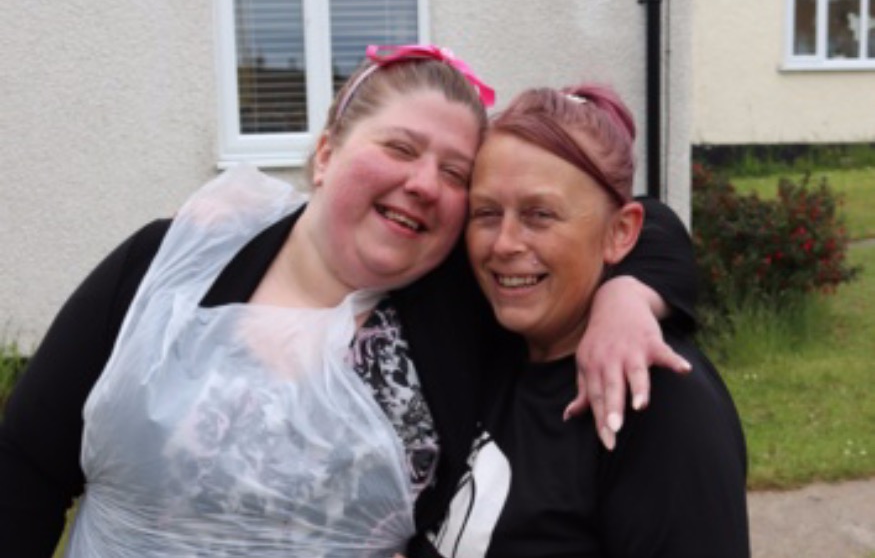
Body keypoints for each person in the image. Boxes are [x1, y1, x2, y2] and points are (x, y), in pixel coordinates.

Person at [0, 47, 697, 557]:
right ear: (327, 153)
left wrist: (627, 297)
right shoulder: (175, 265)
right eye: (399, 147)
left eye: (454, 173)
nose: (423, 183)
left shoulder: (454, 306)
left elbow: (637, 224)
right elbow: (24, 466)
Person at [422, 84, 750, 557]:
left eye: (540, 214)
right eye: (486, 213)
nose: (504, 243)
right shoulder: (491, 343)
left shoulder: (655, 403)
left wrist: (628, 293)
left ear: (621, 233)